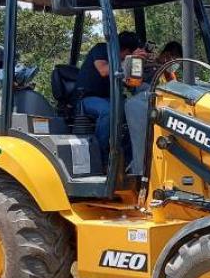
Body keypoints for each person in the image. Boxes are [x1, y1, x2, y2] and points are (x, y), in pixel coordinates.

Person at [78, 31, 145, 163]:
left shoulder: (122, 63)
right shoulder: (101, 49)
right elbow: (103, 70)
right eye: (130, 55)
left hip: (110, 99)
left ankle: (129, 160)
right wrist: (128, 61)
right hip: (87, 98)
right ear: (126, 51)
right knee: (109, 111)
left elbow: (130, 83)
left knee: (135, 110)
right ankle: (100, 157)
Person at [125, 40, 183, 175]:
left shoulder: (166, 71)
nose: (176, 64)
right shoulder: (148, 66)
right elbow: (135, 85)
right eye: (175, 59)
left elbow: (175, 85)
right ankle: (140, 168)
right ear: (167, 55)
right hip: (144, 106)